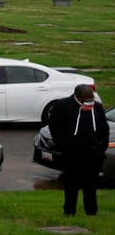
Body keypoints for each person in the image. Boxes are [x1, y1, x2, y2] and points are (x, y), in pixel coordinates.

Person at [48, 84, 110, 217]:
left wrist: (100, 148)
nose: (89, 102)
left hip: (93, 154)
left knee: (91, 185)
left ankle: (91, 212)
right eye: (86, 100)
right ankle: (69, 211)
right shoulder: (62, 106)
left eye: (91, 99)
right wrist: (66, 148)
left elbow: (104, 130)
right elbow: (55, 129)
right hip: (72, 155)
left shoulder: (97, 108)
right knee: (71, 185)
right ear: (77, 97)